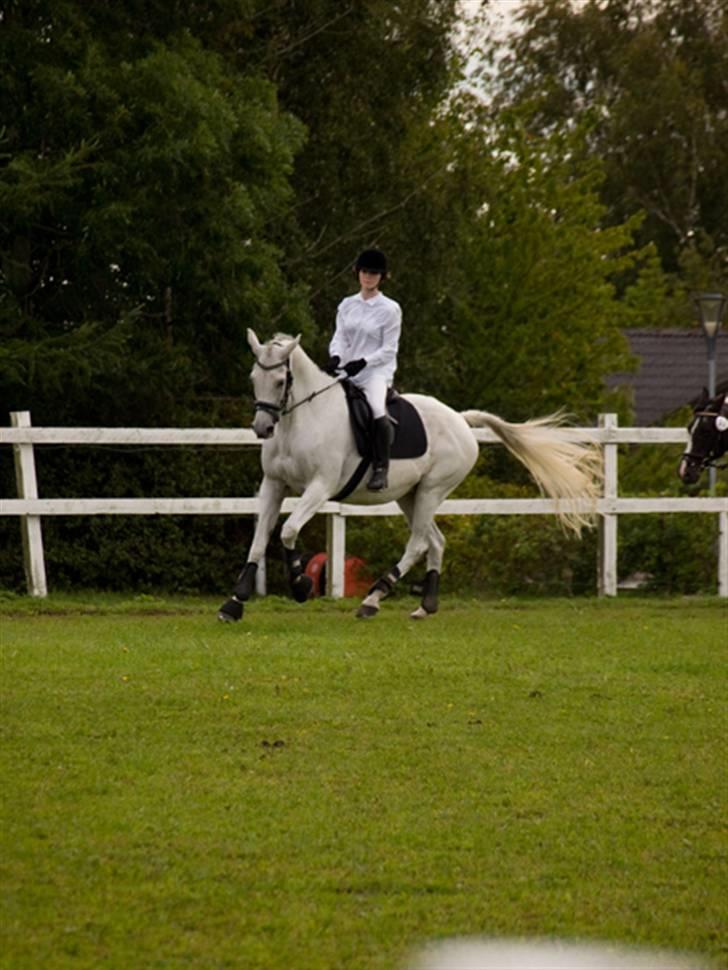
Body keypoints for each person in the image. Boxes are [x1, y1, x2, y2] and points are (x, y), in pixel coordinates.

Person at [325, 249, 402, 490]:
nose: (368, 277)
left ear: (382, 277)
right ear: (357, 273)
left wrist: (364, 362)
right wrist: (336, 355)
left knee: (377, 409)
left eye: (374, 273)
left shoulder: (390, 309)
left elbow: (389, 349)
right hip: (347, 370)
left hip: (375, 373)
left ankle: (381, 467)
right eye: (365, 272)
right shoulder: (347, 305)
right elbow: (339, 337)